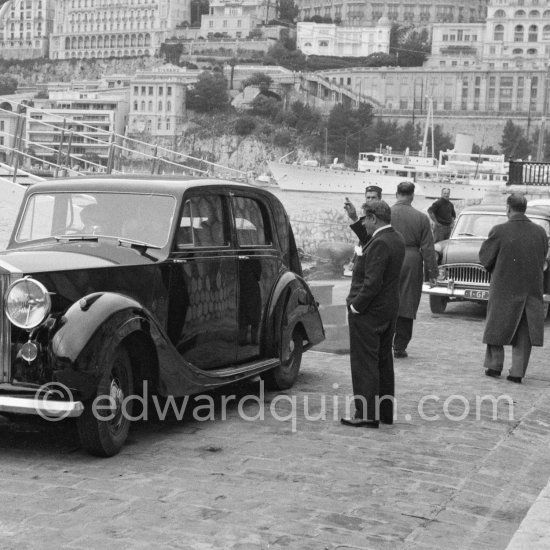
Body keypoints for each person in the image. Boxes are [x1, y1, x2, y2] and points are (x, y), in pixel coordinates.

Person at [341, 200, 405, 428]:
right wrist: (353, 219)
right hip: (388, 310)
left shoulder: (380, 243)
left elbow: (372, 282)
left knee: (364, 363)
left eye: (364, 219)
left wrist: (355, 306)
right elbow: (369, 239)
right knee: (383, 362)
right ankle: (384, 412)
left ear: (374, 218)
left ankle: (366, 414)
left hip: (369, 312)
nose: (363, 223)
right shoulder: (395, 238)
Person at [480, 194, 548, 383]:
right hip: (530, 289)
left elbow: (485, 258)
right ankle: (517, 372)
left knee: (496, 325)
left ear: (508, 208)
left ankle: (494, 366)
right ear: (525, 208)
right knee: (524, 331)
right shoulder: (540, 232)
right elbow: (543, 259)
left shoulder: (499, 230)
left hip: (503, 287)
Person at [391, 182, 438, 358]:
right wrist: (432, 274)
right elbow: (428, 248)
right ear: (412, 195)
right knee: (408, 301)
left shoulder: (387, 213)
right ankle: (400, 345)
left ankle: (384, 339)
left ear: (397, 194)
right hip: (412, 260)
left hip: (390, 256)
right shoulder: (421, 218)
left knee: (387, 297)